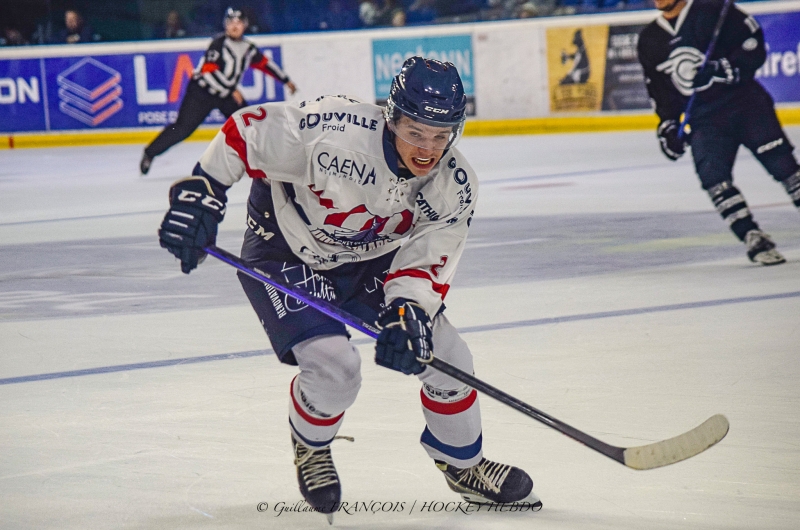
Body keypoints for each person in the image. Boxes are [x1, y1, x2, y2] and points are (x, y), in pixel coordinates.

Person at [157, 57, 542, 521]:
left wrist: (408, 310)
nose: (428, 150)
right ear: (392, 117)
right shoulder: (333, 131)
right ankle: (311, 445)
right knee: (336, 368)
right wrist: (205, 189)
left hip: (368, 259)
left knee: (448, 357)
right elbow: (248, 131)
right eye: (416, 132)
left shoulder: (454, 185)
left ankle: (464, 465)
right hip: (286, 250)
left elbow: (429, 257)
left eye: (442, 136)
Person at [638, 0, 800, 265]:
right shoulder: (650, 39)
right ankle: (751, 235)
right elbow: (659, 90)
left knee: (784, 167)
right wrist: (668, 125)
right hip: (705, 119)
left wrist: (721, 68)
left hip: (747, 106)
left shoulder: (714, 11)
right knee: (713, 177)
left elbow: (753, 45)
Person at [140, 8, 297, 175]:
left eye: (238, 22)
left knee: (249, 124)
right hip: (201, 92)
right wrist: (232, 89)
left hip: (225, 95)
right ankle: (150, 153)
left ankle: (264, 161)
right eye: (231, 22)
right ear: (225, 25)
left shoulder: (248, 48)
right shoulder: (218, 44)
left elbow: (265, 64)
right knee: (182, 128)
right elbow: (209, 71)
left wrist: (286, 80)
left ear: (245, 25)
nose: (234, 26)